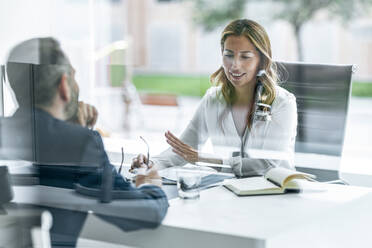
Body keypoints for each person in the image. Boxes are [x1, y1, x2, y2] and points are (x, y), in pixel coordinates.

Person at [3, 37, 168, 247]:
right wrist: (150, 184)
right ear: (64, 85)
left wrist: (72, 130)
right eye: (74, 76)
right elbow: (146, 214)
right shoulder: (80, 144)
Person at [132, 19, 297, 177]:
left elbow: (268, 164)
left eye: (245, 57)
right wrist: (152, 163)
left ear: (261, 60)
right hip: (229, 192)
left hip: (275, 194)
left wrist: (204, 159)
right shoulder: (213, 99)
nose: (234, 65)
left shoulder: (283, 103)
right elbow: (185, 151)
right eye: (229, 55)